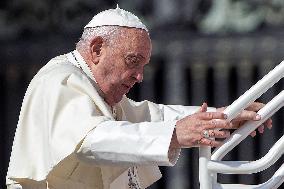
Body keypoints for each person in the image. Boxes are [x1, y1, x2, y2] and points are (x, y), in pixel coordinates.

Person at [6, 6, 272, 189]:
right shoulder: (60, 79)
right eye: (132, 62)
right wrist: (175, 134)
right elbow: (91, 139)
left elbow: (150, 116)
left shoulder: (95, 89)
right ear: (97, 49)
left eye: (143, 66)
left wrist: (223, 116)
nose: (139, 77)